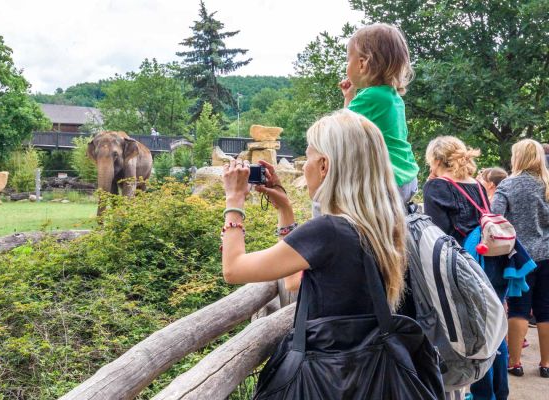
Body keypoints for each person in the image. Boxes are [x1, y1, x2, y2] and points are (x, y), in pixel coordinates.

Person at [221, 110, 413, 385]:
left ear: (324, 165)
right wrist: (284, 209)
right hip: (364, 375)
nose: (304, 166)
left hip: (327, 379)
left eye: (308, 156)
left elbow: (233, 269)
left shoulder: (328, 231)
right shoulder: (380, 224)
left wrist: (234, 201)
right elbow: (293, 283)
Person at [422, 136, 509, 399]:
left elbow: (434, 235)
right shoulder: (478, 185)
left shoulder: (436, 186)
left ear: (436, 160)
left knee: (473, 332)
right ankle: (496, 392)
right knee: (495, 327)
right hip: (492, 260)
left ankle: (478, 393)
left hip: (464, 267)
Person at [338, 23, 420, 204]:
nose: (347, 65)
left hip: (387, 182)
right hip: (407, 177)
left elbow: (338, 130)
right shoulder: (392, 97)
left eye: (347, 60)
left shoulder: (371, 96)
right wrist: (349, 96)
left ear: (361, 63)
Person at [492, 139, 549, 379]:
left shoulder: (508, 185)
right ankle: (546, 364)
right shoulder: (547, 185)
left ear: (518, 158)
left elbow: (495, 216)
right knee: (546, 310)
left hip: (519, 258)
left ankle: (514, 363)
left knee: (518, 309)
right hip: (548, 254)